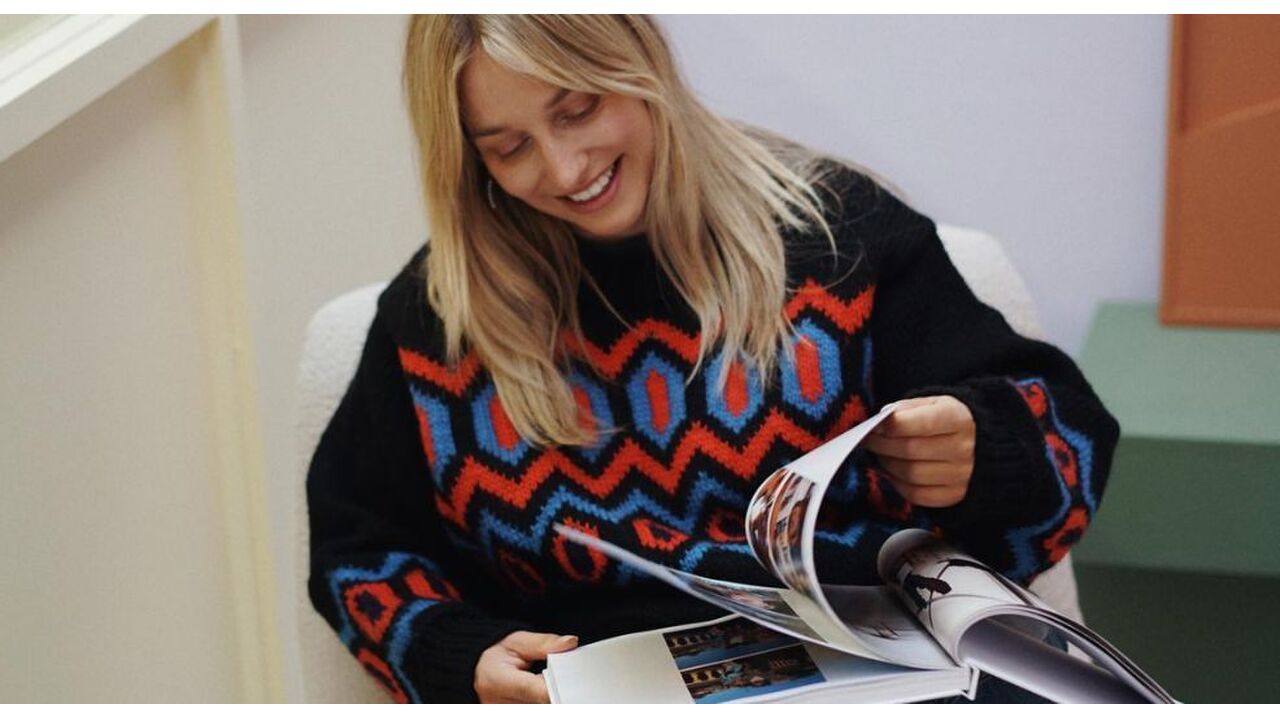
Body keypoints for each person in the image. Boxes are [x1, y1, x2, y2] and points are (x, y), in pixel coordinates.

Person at [306, 14, 1119, 704]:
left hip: (873, 677)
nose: (563, 168)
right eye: (508, 147)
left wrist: (983, 452)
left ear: (640, 64)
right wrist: (456, 653)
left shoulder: (839, 236)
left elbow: (1067, 444)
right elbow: (360, 553)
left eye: (579, 109)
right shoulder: (438, 319)